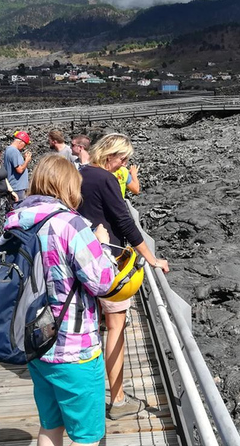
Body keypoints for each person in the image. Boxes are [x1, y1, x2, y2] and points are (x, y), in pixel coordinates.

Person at [7, 155, 114, 446]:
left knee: (50, 426)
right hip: (73, 345)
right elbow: (102, 282)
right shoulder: (70, 224)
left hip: (36, 342)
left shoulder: (15, 219)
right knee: (86, 436)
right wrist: (101, 243)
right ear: (68, 185)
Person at [77, 133, 170, 420]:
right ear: (109, 156)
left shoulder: (80, 173)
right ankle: (117, 399)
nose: (125, 165)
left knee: (91, 327)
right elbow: (125, 221)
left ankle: (89, 391)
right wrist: (152, 258)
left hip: (83, 258)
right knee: (116, 328)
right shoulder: (105, 179)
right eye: (123, 159)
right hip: (110, 261)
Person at [4, 130, 32, 201]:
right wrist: (27, 160)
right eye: (24, 144)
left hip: (16, 187)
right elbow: (19, 170)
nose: (24, 147)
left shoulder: (9, 150)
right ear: (20, 142)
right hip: (17, 188)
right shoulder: (14, 151)